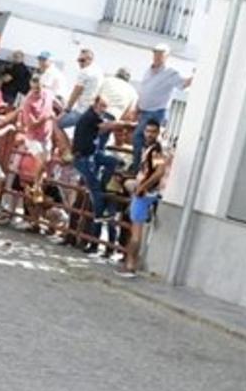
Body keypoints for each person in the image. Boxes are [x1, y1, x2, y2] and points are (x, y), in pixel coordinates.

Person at [70, 96, 132, 257]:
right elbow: (105, 126)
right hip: (86, 159)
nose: (103, 109)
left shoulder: (92, 119)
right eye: (102, 106)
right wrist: (127, 124)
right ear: (95, 104)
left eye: (105, 106)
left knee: (111, 165)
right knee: (96, 193)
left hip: (92, 159)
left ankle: (104, 243)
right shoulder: (92, 118)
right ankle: (99, 221)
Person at [118, 119, 167, 278]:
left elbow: (159, 172)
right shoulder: (150, 149)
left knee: (136, 232)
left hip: (144, 193)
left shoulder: (155, 151)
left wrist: (142, 187)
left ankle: (130, 265)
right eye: (147, 131)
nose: (149, 134)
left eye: (153, 131)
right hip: (146, 191)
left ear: (158, 133)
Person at [132, 43, 191, 171]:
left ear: (166, 56)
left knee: (142, 138)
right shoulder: (149, 70)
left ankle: (139, 168)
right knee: (144, 140)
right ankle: (142, 167)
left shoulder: (170, 72)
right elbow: (144, 89)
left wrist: (196, 76)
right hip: (145, 111)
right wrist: (137, 107)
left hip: (156, 111)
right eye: (156, 53)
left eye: (160, 54)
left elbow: (183, 84)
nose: (157, 56)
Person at [18, 76, 55, 182]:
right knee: (41, 161)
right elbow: (31, 125)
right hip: (33, 137)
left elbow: (56, 104)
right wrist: (47, 117)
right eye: (34, 88)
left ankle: (36, 185)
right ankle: (36, 185)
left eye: (38, 88)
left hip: (46, 136)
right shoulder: (28, 102)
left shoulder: (48, 94)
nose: (37, 90)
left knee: (46, 161)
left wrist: (62, 112)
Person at [59, 48, 103, 130]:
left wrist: (66, 110)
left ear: (90, 60)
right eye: (79, 60)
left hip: (81, 111)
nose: (80, 63)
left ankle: (63, 143)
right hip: (91, 111)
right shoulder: (98, 72)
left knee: (56, 124)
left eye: (82, 60)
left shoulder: (85, 72)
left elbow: (76, 92)